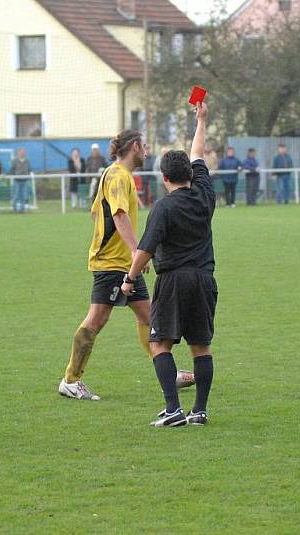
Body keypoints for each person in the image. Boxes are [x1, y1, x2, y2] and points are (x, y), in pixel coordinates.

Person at [122, 101, 217, 427]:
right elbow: (198, 152)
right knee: (201, 347)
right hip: (204, 279)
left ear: (164, 177)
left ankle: (173, 409)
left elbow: (145, 250)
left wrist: (129, 280)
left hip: (174, 280)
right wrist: (201, 121)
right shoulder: (205, 194)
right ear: (191, 174)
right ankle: (200, 411)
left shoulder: (162, 208)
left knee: (159, 343)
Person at [57, 129, 154, 401]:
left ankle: (166, 372)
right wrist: (136, 251)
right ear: (134, 146)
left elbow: (95, 212)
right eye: (144, 146)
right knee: (97, 319)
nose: (147, 151)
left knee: (149, 316)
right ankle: (71, 380)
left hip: (122, 262)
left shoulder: (114, 175)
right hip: (112, 264)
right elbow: (119, 214)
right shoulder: (118, 176)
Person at [10, 147, 31, 213]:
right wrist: (15, 176)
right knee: (15, 196)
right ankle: (14, 209)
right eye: (21, 152)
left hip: (25, 180)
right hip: (17, 180)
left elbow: (29, 169)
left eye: (23, 152)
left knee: (24, 196)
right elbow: (12, 170)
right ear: (18, 153)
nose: (22, 153)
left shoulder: (27, 160)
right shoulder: (14, 160)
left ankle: (22, 210)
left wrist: (28, 175)